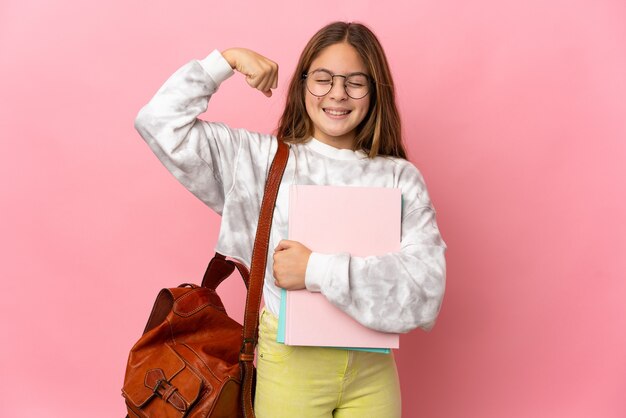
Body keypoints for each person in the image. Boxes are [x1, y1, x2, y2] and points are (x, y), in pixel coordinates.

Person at [134, 21, 447, 418]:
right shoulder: (260, 161)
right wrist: (225, 61)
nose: (337, 93)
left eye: (355, 82)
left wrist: (315, 269)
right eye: (323, 79)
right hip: (290, 366)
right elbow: (158, 122)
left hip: (373, 373)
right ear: (302, 85)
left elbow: (425, 293)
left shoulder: (399, 178)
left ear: (375, 90)